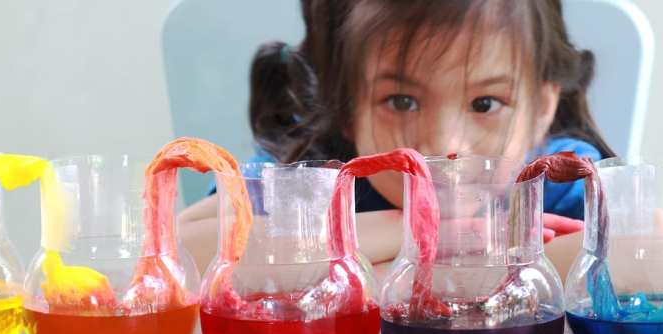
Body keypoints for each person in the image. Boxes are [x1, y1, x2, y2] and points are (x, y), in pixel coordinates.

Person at [178, 0, 615, 279]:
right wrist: (434, 232)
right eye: (402, 100)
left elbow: (656, 251)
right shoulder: (307, 174)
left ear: (542, 109)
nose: (445, 144)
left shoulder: (553, 176)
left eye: (485, 103)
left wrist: (379, 268)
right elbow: (179, 247)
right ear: (347, 108)